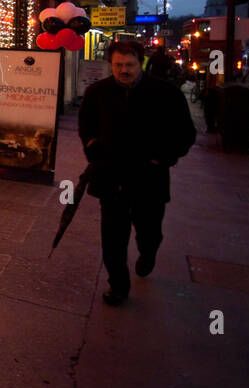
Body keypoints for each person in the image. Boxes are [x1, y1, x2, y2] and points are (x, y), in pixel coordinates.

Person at [79, 38, 196, 306]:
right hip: (111, 177)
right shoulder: (98, 92)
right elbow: (86, 125)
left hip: (149, 180)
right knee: (112, 237)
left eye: (129, 64)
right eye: (118, 64)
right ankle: (118, 285)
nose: (124, 70)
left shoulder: (165, 93)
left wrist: (163, 158)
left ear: (141, 62)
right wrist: (93, 148)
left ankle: (148, 252)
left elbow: (186, 133)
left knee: (149, 230)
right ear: (111, 63)